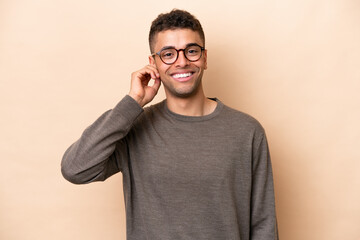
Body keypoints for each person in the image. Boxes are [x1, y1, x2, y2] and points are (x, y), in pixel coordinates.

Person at [61, 9, 279, 240]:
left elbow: (263, 224)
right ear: (153, 63)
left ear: (205, 58)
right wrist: (133, 102)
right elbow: (75, 169)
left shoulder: (247, 131)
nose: (182, 62)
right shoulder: (134, 126)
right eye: (168, 54)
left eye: (191, 51)